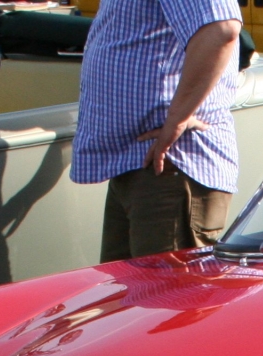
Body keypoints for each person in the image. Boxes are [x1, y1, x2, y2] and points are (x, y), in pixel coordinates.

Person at [71, 0, 242, 262]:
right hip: (141, 163)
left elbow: (220, 29)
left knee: (168, 299)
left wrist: (176, 120)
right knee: (126, 299)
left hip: (172, 165)